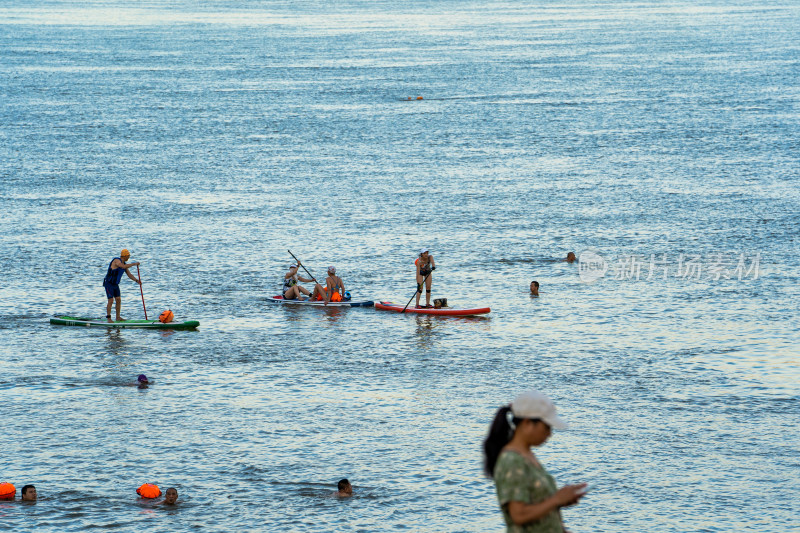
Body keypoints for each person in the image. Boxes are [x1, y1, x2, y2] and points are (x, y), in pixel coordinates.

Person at [483, 390, 586, 532]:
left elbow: (539, 507)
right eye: (547, 427)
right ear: (527, 423)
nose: (550, 433)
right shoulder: (511, 461)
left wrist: (561, 501)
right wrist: (556, 499)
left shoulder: (527, 456)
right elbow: (518, 515)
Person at [103, 249, 141, 322]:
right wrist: (134, 264)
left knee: (118, 299)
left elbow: (129, 275)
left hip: (115, 284)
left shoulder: (125, 264)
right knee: (110, 300)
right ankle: (109, 318)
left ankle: (118, 317)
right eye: (128, 256)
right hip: (109, 284)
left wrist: (137, 280)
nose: (129, 257)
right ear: (125, 256)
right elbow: (122, 266)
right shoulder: (116, 260)